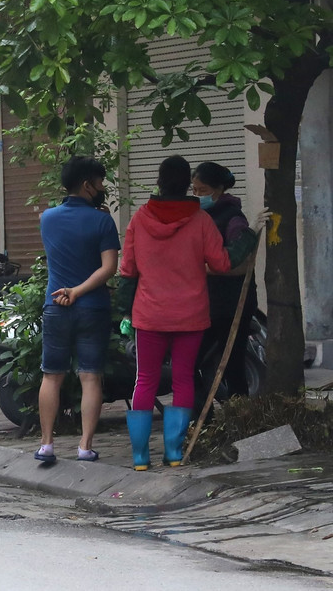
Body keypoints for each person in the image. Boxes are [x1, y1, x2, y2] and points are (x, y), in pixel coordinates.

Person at [119, 155, 254, 470]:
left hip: (149, 315)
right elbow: (221, 263)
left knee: (145, 380)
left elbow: (128, 269)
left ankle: (140, 458)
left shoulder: (139, 219)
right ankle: (175, 454)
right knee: (182, 379)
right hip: (190, 315)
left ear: (159, 182)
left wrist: (124, 307)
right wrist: (247, 241)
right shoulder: (201, 221)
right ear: (187, 186)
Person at [34, 156, 120, 464]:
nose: (101, 188)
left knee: (51, 376)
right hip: (92, 307)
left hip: (55, 305)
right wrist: (80, 291)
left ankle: (46, 445)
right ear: (87, 185)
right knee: (90, 377)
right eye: (99, 183)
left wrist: (69, 291)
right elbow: (110, 267)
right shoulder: (102, 221)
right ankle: (84, 446)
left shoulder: (47, 218)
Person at [192, 162, 257, 403]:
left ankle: (240, 418)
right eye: (194, 190)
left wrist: (204, 269)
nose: (197, 195)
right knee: (191, 362)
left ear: (218, 189)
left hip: (232, 303)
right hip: (205, 304)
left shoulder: (233, 218)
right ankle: (203, 417)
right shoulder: (199, 216)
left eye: (202, 190)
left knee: (232, 363)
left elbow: (242, 264)